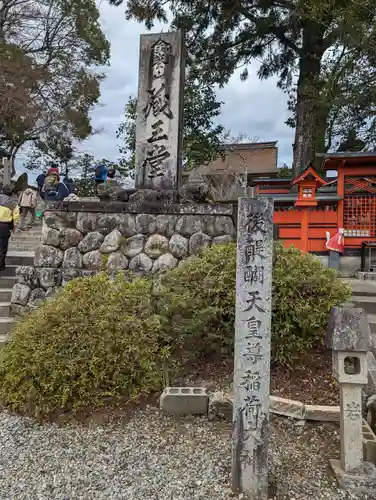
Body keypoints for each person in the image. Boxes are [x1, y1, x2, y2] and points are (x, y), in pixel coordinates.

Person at [0, 185, 19, 271]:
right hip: (4, 227)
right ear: (12, 193)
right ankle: (1, 266)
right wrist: (14, 227)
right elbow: (16, 216)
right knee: (2, 248)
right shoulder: (13, 203)